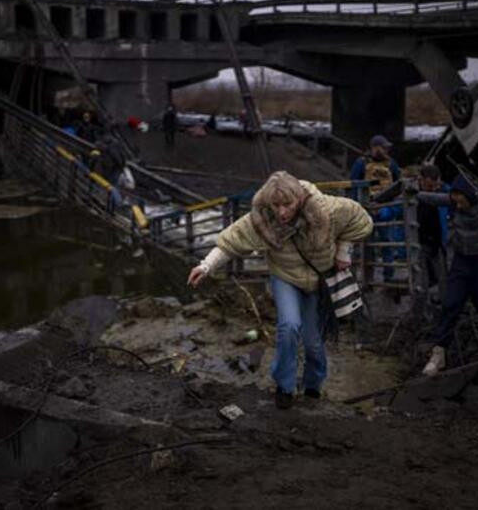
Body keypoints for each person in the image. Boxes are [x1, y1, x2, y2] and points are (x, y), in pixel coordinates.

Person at [187, 171, 373, 409]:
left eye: (287, 204)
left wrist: (344, 250)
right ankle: (284, 387)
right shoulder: (262, 218)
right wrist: (206, 266)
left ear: (299, 199)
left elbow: (361, 220)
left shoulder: (327, 208)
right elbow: (233, 240)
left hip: (317, 281)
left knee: (313, 342)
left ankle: (313, 387)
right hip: (285, 277)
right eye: (276, 205)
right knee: (289, 326)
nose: (282, 212)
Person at [420, 174, 478, 376]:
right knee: (451, 304)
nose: (457, 202)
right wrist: (414, 193)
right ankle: (439, 353)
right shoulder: (453, 201)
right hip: (461, 260)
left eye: (460, 198)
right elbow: (432, 198)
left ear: (469, 195)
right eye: (453, 197)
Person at [350, 135, 402, 283]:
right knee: (367, 244)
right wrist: (357, 206)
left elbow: (398, 184)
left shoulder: (391, 164)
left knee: (388, 242)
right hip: (367, 207)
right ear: (374, 148)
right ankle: (368, 279)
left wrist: (394, 206)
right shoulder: (361, 163)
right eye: (383, 147)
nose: (386, 150)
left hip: (386, 207)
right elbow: (353, 184)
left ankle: (389, 276)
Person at [414, 164, 451, 315]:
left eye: (436, 185)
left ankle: (446, 309)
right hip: (419, 243)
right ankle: (422, 313)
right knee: (421, 280)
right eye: (429, 185)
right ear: (420, 180)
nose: (433, 189)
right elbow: (394, 208)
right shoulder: (411, 194)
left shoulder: (444, 193)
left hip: (437, 242)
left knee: (443, 277)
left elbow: (456, 195)